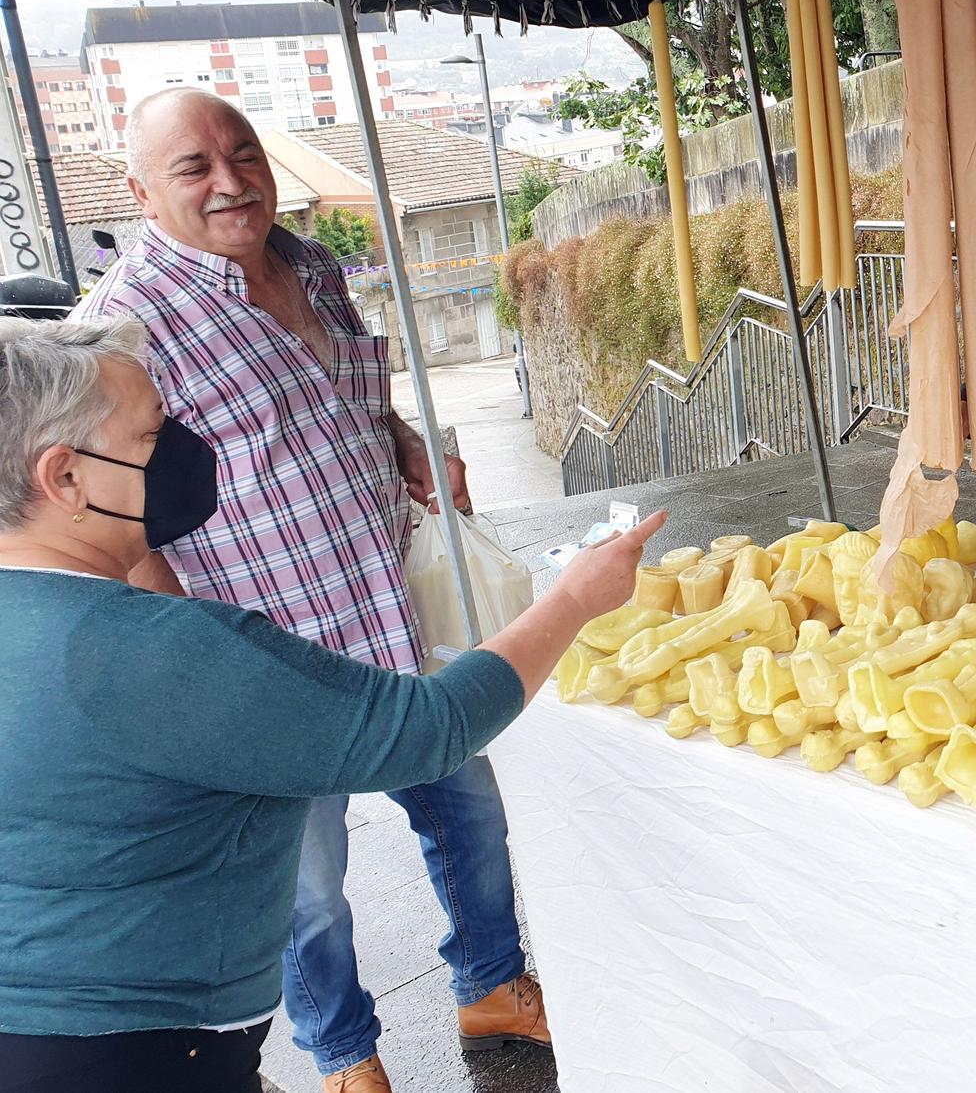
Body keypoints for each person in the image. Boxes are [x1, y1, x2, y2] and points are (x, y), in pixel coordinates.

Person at [0, 315, 666, 1093]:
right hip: (134, 1052)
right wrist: (576, 598)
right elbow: (427, 729)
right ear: (65, 478)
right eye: (153, 437)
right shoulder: (151, 649)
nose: (187, 448)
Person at [75, 88, 525, 1091]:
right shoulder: (120, 327)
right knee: (305, 885)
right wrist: (188, 652)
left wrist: (407, 443)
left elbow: (353, 398)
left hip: (391, 620)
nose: (231, 179)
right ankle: (346, 1055)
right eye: (195, 166)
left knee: (470, 816)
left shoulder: (312, 266)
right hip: (263, 654)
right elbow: (114, 515)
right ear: (140, 190)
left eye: (243, 154)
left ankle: (492, 985)